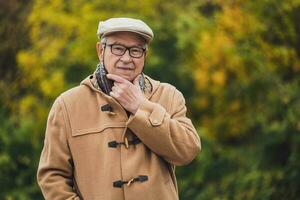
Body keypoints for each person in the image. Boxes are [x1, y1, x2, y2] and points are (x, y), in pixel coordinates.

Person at [37, 17, 201, 200]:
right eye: (118, 48)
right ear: (101, 51)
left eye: (136, 50)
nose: (126, 58)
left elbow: (187, 151)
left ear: (145, 55)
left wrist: (141, 107)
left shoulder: (169, 96)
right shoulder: (67, 105)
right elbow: (52, 176)